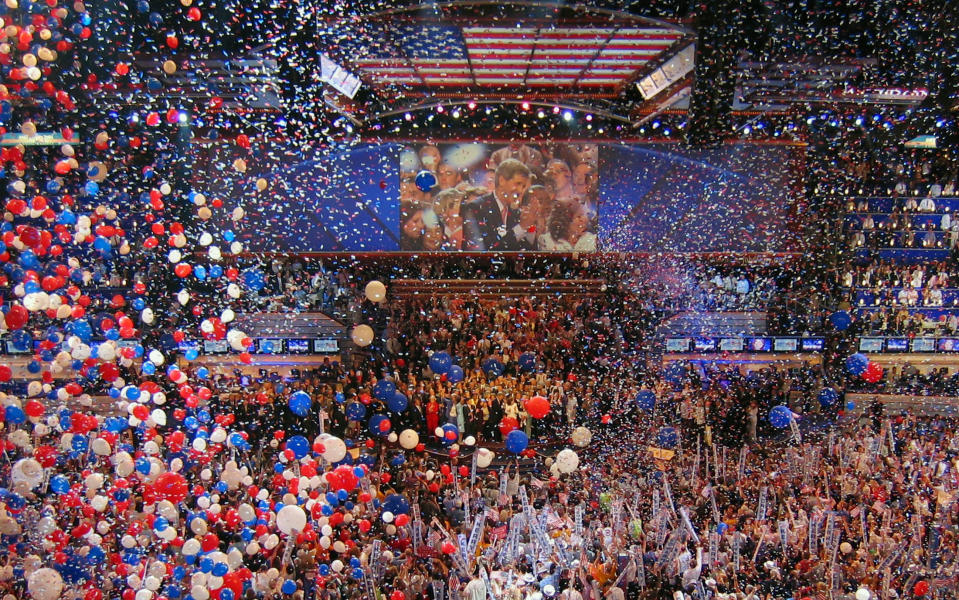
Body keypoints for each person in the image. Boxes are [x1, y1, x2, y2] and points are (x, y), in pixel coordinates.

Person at [462, 159, 534, 251]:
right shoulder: (476, 208)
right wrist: (521, 227)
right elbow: (487, 250)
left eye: (523, 186)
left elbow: (525, 249)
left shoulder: (516, 213)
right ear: (502, 180)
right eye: (517, 184)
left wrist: (531, 226)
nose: (520, 190)